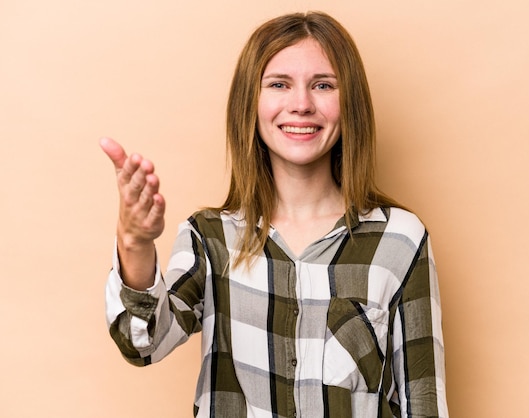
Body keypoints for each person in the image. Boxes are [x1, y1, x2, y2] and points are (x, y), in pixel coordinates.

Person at [101, 11, 448, 418]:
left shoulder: (400, 240)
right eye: (279, 84)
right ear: (251, 101)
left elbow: (423, 402)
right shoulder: (211, 238)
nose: (301, 105)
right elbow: (143, 342)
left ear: (349, 102)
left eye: (322, 85)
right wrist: (135, 242)